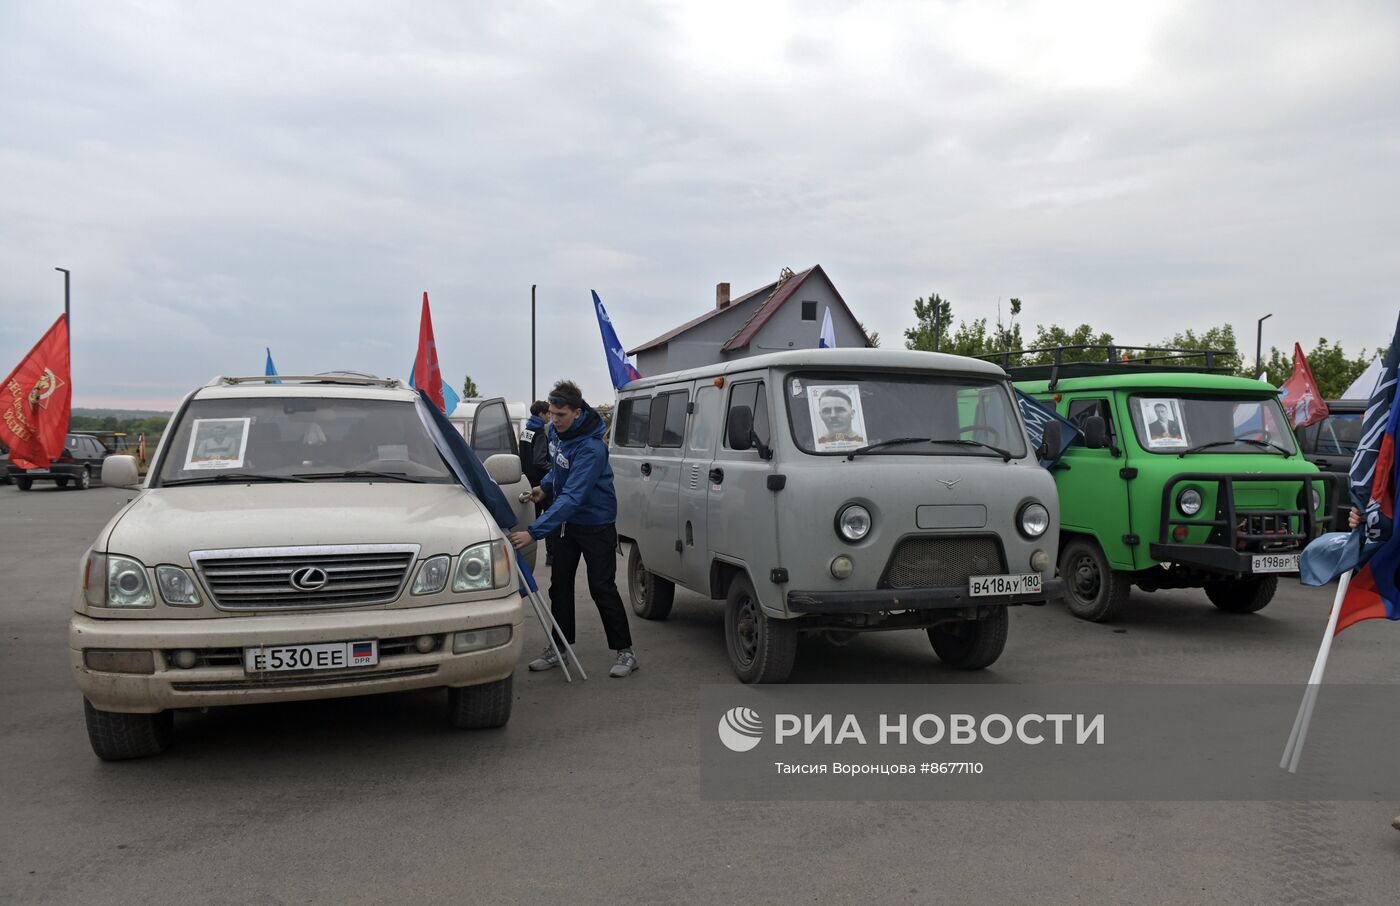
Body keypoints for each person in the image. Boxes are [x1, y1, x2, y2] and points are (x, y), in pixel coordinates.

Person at [507, 380, 637, 678]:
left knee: (601, 587)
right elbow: (559, 468)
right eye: (551, 414)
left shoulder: (592, 449)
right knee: (559, 586)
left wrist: (534, 531)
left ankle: (625, 651)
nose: (554, 420)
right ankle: (559, 647)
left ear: (577, 413)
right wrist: (545, 486)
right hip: (567, 525)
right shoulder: (555, 433)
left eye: (560, 415)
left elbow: (574, 495)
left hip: (595, 524)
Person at [518, 400, 557, 566]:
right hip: (541, 485)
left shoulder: (525, 432)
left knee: (529, 522)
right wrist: (554, 469)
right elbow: (540, 460)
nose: (550, 416)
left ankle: (524, 556)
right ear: (541, 414)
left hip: (527, 482)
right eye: (548, 413)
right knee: (549, 520)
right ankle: (552, 555)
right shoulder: (540, 433)